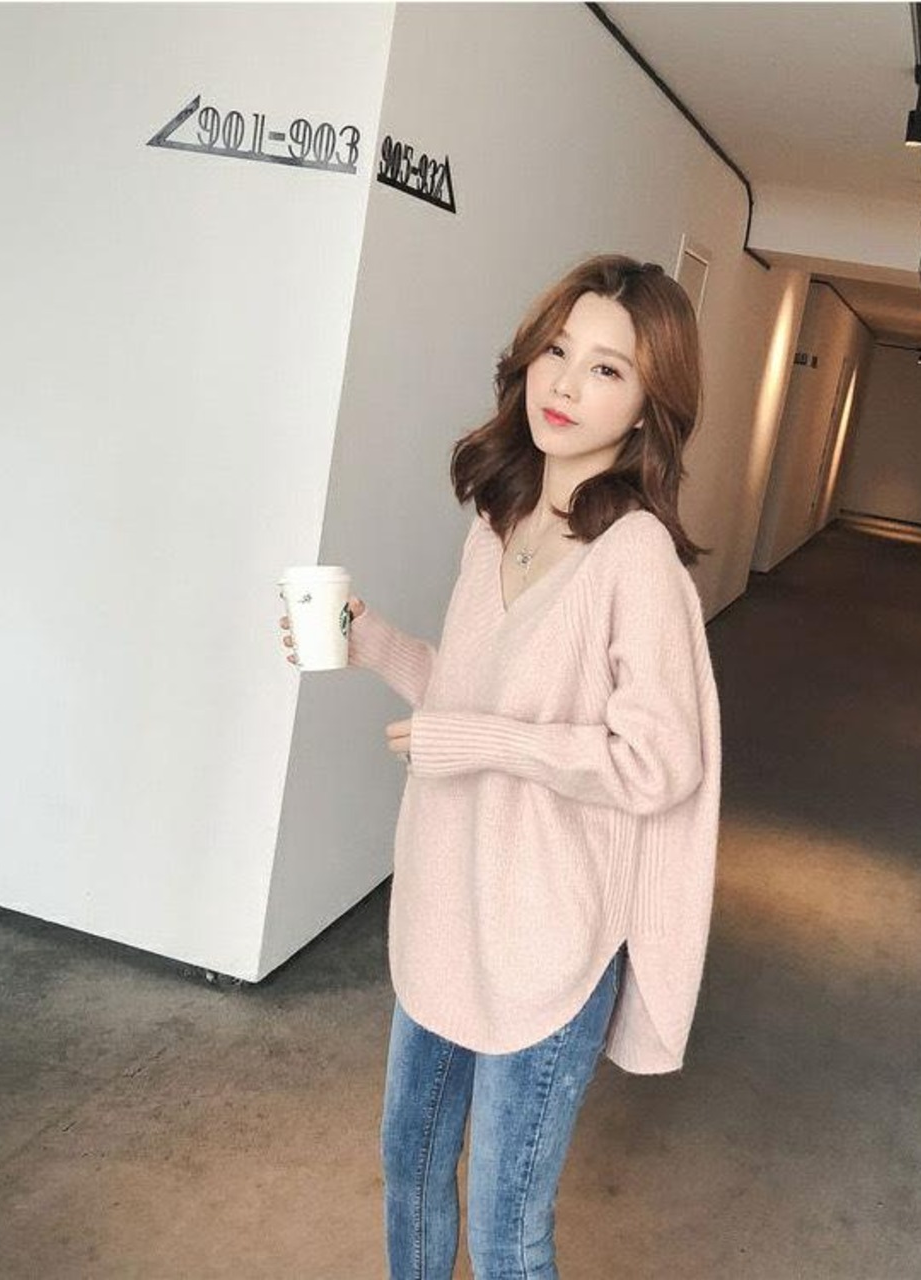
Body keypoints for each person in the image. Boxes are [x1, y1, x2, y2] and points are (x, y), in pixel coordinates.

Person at [279, 255, 722, 1279]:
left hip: (550, 934)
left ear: (650, 404)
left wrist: (477, 745)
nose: (565, 384)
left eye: (607, 369)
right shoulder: (498, 522)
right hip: (448, 904)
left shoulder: (637, 558)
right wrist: (368, 642)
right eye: (557, 351)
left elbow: (659, 761)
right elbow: (470, 691)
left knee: (507, 1230)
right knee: (409, 1167)